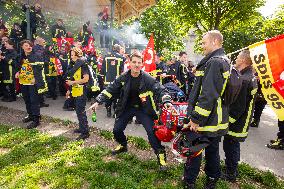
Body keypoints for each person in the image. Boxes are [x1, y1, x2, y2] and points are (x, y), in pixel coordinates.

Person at [91, 53, 172, 170]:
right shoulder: (123, 77)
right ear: (129, 63)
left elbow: (160, 90)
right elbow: (110, 89)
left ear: (142, 64)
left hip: (143, 110)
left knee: (152, 132)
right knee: (117, 130)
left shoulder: (147, 78)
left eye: (139, 63)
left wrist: (166, 101)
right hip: (126, 108)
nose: (136, 65)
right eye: (134, 62)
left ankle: (161, 157)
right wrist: (98, 101)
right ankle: (123, 145)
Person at [184, 30, 230, 189]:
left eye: (204, 42)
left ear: (215, 42)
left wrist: (196, 119)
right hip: (215, 118)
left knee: (195, 149)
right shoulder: (221, 60)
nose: (202, 45)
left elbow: (207, 94)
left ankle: (189, 181)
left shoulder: (214, 62)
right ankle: (211, 179)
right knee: (212, 150)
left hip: (206, 119)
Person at [222, 50, 258, 182]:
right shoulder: (250, 76)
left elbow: (238, 106)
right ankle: (232, 170)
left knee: (231, 146)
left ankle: (231, 174)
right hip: (243, 120)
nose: (235, 60)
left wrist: (227, 121)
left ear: (243, 60)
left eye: (237, 58)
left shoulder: (243, 80)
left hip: (237, 122)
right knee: (233, 146)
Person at [16, 40, 45, 129]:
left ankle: (36, 120)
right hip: (23, 81)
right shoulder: (21, 56)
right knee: (27, 99)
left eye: (29, 45)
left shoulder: (36, 56)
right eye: (26, 45)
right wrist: (18, 71)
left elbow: (40, 67)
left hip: (32, 82)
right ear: (22, 47)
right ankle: (30, 115)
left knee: (34, 101)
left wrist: (35, 78)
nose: (28, 47)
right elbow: (18, 66)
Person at [66, 47, 90, 140]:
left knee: (81, 111)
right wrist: (69, 90)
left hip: (82, 91)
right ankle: (81, 128)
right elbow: (72, 78)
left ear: (78, 55)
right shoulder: (74, 65)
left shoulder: (83, 65)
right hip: (75, 91)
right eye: (71, 55)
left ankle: (85, 132)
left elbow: (86, 79)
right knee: (78, 111)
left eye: (73, 55)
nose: (71, 57)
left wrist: (72, 83)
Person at [101, 44, 125, 117]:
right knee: (116, 97)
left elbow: (103, 70)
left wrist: (103, 78)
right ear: (118, 49)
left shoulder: (105, 57)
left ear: (113, 49)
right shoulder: (122, 58)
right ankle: (115, 112)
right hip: (117, 81)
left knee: (108, 96)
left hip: (107, 80)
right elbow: (122, 71)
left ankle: (108, 111)